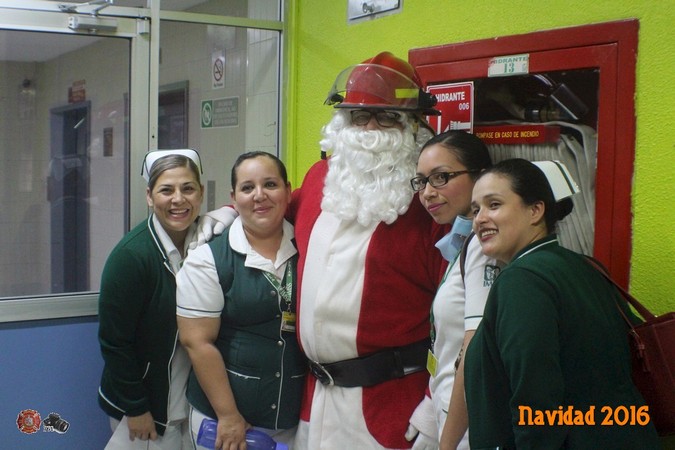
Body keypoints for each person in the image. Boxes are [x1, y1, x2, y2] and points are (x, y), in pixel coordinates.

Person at [198, 51, 448, 449]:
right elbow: (274, 210)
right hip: (313, 404)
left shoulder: (431, 207)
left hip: (391, 409)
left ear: (413, 125)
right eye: (359, 116)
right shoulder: (322, 179)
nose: (370, 128)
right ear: (342, 123)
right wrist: (230, 212)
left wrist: (434, 409)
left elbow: (458, 323)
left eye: (387, 117)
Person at [465, 158, 661, 449]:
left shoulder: (523, 279)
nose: (479, 219)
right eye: (475, 209)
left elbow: (535, 397)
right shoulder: (585, 266)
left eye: (494, 205)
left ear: (535, 210)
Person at [175, 151, 306, 450]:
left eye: (270, 184)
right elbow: (197, 342)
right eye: (248, 188)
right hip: (227, 423)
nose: (259, 195)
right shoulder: (207, 259)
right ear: (234, 198)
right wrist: (228, 415)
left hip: (291, 420)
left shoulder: (307, 244)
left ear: (288, 191)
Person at [98, 149, 205, 449]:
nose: (178, 199)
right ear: (149, 196)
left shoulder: (206, 245)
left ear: (201, 192)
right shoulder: (131, 256)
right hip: (146, 409)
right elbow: (114, 342)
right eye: (166, 190)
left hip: (188, 404)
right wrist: (135, 407)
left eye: (188, 188)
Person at [411, 130, 502, 450]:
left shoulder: (483, 247)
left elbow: (474, 354)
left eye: (441, 177)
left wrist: (446, 443)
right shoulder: (461, 244)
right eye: (421, 181)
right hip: (450, 416)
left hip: (468, 428)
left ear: (481, 177)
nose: (427, 193)